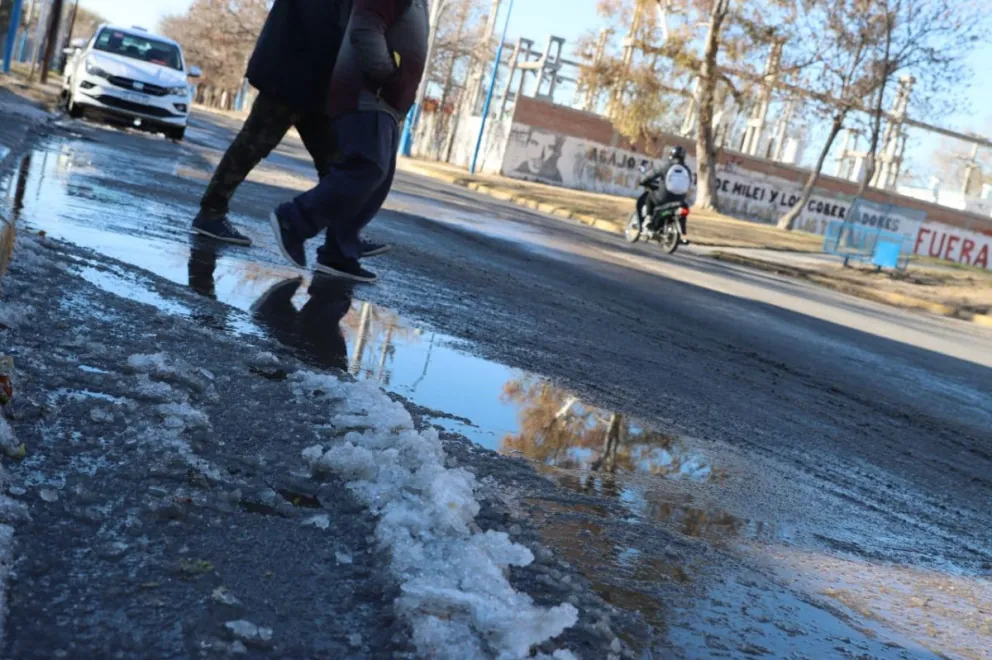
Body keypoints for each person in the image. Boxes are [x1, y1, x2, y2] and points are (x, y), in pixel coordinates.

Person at [192, 0, 389, 260]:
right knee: (251, 147)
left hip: (314, 84)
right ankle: (210, 214)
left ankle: (343, 237)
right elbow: (327, 25)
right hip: (289, 78)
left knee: (337, 165)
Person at [268, 0, 429, 283]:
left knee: (378, 178)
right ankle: (293, 220)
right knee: (365, 168)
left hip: (387, 103)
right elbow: (365, 29)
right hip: (367, 95)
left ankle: (340, 253)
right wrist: (387, 77)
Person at [639, 145, 694, 232]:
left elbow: (653, 174)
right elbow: (688, 183)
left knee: (649, 197)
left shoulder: (667, 166)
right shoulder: (687, 170)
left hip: (663, 198)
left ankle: (648, 219)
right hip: (680, 200)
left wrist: (643, 180)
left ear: (672, 154)